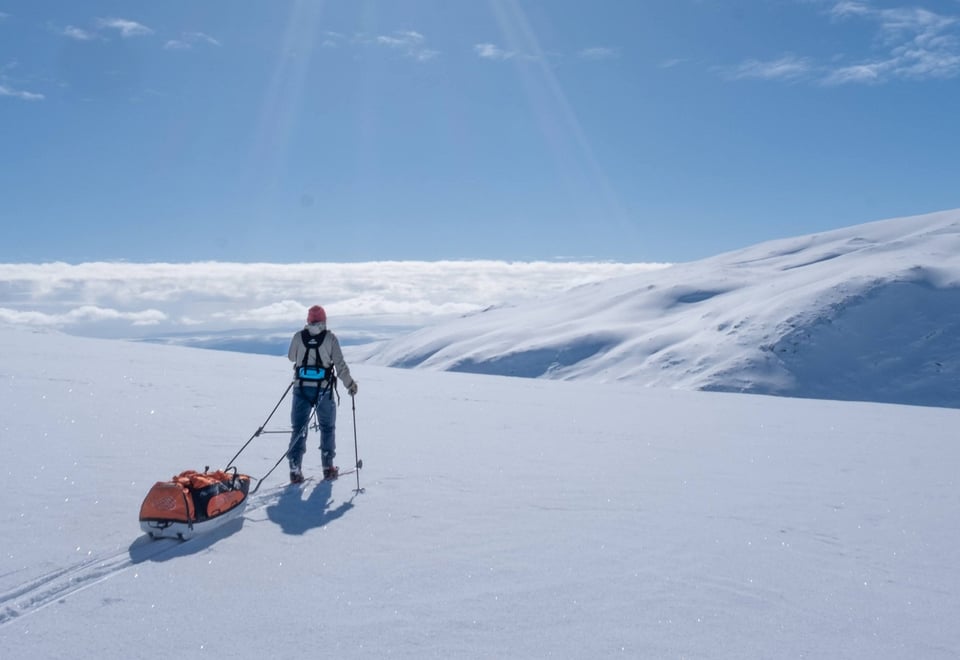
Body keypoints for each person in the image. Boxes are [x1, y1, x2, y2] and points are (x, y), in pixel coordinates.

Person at [286, 304, 358, 484]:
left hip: (300, 388)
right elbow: (340, 365)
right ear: (324, 320)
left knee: (299, 428)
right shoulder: (330, 338)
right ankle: (328, 467)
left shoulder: (298, 337)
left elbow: (291, 358)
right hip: (323, 390)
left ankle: (295, 469)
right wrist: (350, 384)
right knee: (327, 427)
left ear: (308, 320)